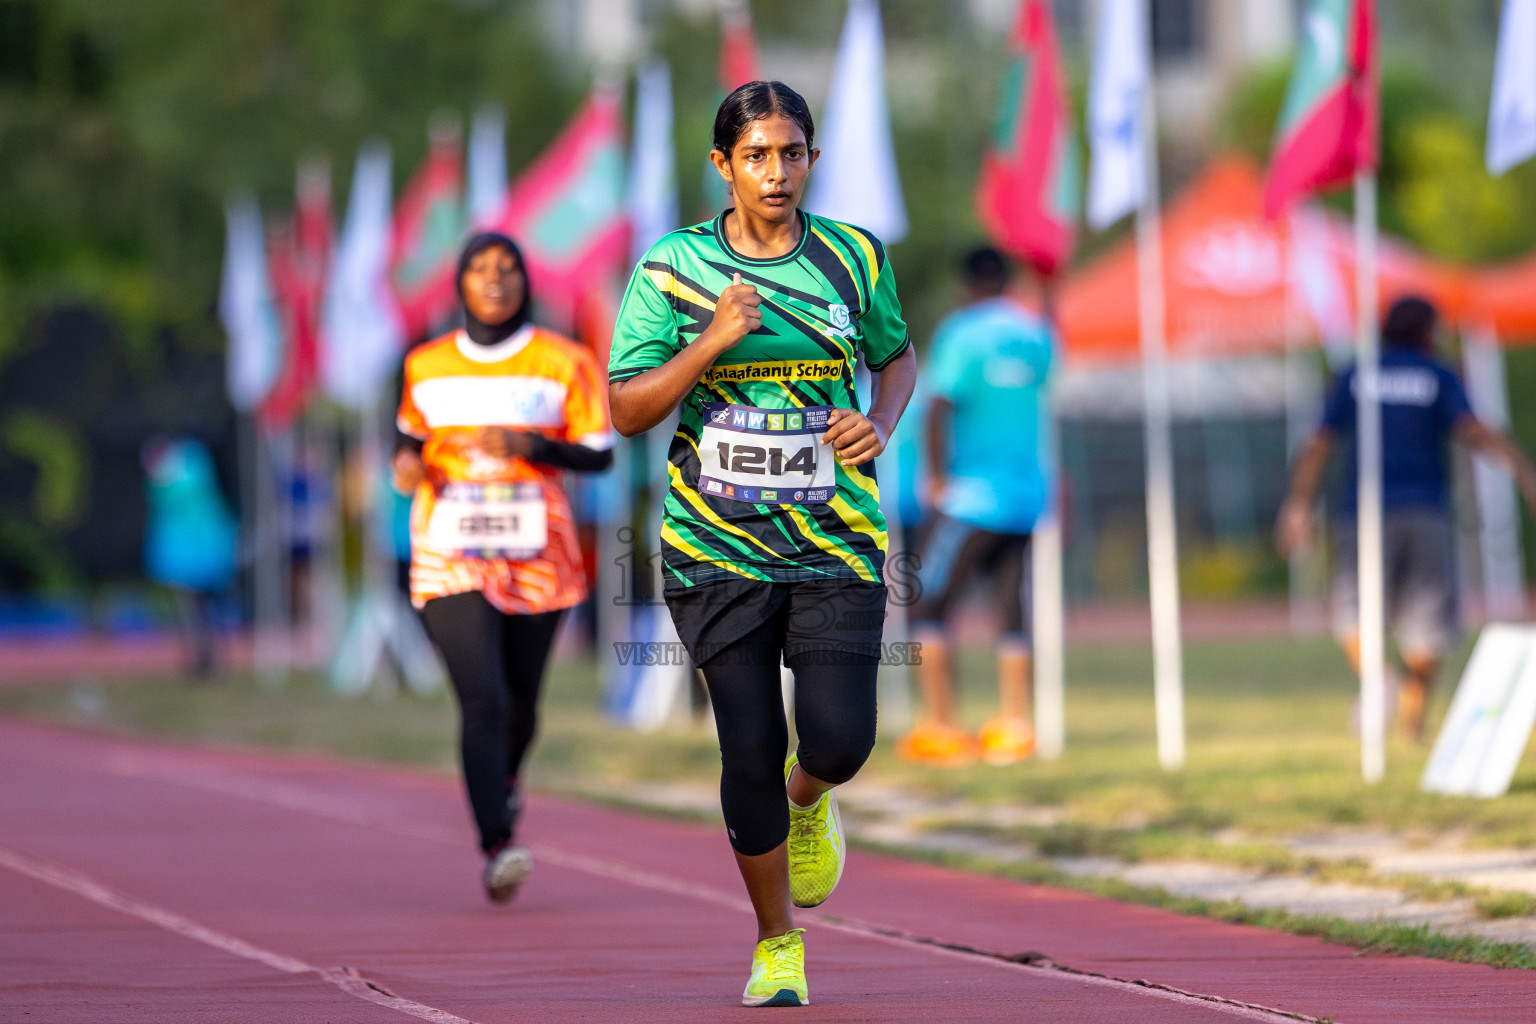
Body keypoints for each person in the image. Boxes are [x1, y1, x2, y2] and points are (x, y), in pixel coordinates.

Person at [608, 81, 917, 1008]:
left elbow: (896, 356)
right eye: (756, 156)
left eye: (791, 154)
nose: (775, 173)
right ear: (723, 165)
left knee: (840, 738)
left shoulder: (854, 257)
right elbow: (626, 409)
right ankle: (778, 941)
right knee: (746, 744)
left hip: (836, 536)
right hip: (714, 546)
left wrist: (880, 421)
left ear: (812, 159)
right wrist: (711, 341)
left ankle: (812, 795)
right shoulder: (672, 268)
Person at [392, 232, 613, 902]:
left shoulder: (563, 360)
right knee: (481, 696)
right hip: (449, 551)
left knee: (521, 705)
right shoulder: (426, 364)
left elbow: (598, 453)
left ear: (526, 281)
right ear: (459, 282)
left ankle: (507, 781)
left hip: (537, 553)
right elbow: (406, 440)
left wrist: (529, 444)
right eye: (481, 269)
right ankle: (497, 843)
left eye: (509, 268)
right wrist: (405, 464)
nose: (495, 279)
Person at [1277, 296, 1536, 741]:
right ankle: (1411, 723)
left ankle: (1378, 680)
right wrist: (1522, 468)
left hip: (1362, 513)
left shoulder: (1356, 374)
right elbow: (1471, 430)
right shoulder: (1436, 375)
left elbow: (1318, 441)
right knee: (1428, 623)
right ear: (1427, 333)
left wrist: (1299, 503)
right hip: (1424, 510)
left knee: (1353, 609)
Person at [898, 247, 1055, 767]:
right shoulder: (1034, 333)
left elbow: (939, 405)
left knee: (927, 604)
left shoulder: (961, 333)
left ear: (968, 285)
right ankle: (1016, 725)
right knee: (1011, 607)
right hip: (1025, 494)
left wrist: (937, 479)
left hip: (971, 496)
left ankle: (942, 727)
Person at [142, 437, 238, 681]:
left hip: (189, 554)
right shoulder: (196, 469)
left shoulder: (172, 478)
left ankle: (201, 659)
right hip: (202, 552)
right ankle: (206, 658)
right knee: (202, 609)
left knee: (192, 609)